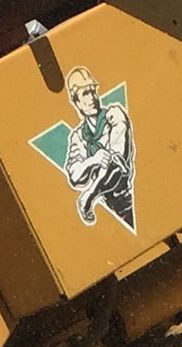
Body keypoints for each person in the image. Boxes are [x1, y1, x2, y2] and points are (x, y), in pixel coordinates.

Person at [63, 65, 135, 228]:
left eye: (93, 91)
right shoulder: (79, 136)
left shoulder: (114, 114)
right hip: (111, 208)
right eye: (85, 94)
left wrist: (90, 194)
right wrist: (92, 161)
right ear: (77, 102)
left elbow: (118, 161)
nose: (92, 98)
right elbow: (74, 175)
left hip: (127, 198)